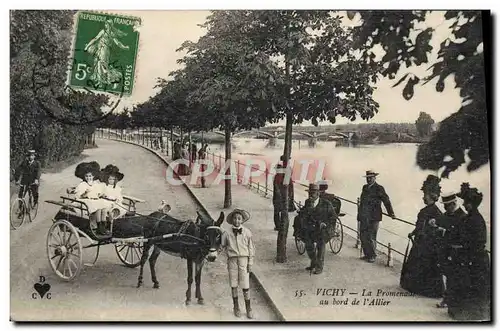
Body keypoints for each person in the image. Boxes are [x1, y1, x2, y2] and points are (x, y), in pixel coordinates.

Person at [446, 183, 490, 320]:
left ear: (471, 203)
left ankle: (469, 314)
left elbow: (478, 242)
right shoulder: (468, 218)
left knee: (470, 286)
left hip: (474, 260)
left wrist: (461, 248)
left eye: (465, 202)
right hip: (466, 258)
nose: (463, 205)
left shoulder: (476, 220)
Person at [400, 175, 443, 298]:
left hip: (427, 244)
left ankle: (422, 288)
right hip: (421, 242)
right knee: (418, 264)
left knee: (424, 264)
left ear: (431, 196)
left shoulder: (435, 212)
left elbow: (435, 229)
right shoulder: (426, 211)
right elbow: (419, 227)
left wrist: (425, 234)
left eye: (425, 195)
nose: (423, 197)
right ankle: (417, 287)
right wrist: (413, 233)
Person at [431, 191, 467, 309]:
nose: (445, 208)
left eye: (447, 205)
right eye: (444, 206)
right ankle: (448, 299)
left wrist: (444, 231)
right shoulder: (446, 215)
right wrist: (434, 224)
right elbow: (440, 223)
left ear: (453, 204)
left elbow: (461, 236)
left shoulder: (462, 216)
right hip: (445, 250)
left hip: (455, 252)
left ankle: (448, 300)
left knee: (453, 277)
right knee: (447, 275)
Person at [221, 209, 255, 319]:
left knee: (245, 285)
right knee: (234, 284)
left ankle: (248, 308)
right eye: (235, 218)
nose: (237, 220)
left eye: (239, 218)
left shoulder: (247, 232)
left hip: (244, 261)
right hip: (232, 261)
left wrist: (250, 262)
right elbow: (222, 246)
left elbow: (251, 249)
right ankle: (236, 307)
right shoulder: (226, 233)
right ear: (232, 220)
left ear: (242, 220)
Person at [357, 170, 396, 263]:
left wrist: (391, 213)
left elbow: (386, 201)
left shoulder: (379, 188)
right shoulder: (365, 187)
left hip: (374, 217)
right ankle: (367, 254)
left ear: (375, 178)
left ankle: (372, 255)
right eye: (367, 178)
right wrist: (359, 215)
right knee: (363, 235)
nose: (369, 179)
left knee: (371, 236)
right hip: (364, 216)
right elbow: (362, 203)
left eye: (371, 177)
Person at [301, 183, 337, 274]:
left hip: (323, 230)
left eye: (312, 193)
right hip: (311, 229)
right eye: (309, 193)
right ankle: (313, 262)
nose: (310, 195)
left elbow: (333, 217)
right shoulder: (307, 202)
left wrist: (325, 224)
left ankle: (319, 266)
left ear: (318, 194)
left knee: (321, 244)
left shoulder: (326, 204)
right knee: (308, 245)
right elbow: (304, 215)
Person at [74, 161, 112, 236]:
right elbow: (79, 196)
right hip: (86, 201)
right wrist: (85, 193)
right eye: (87, 176)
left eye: (90, 176)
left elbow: (98, 193)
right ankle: (98, 227)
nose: (89, 178)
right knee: (98, 207)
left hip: (95, 200)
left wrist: (102, 195)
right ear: (84, 177)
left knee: (104, 208)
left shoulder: (95, 184)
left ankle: (103, 226)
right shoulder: (82, 184)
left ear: (93, 176)